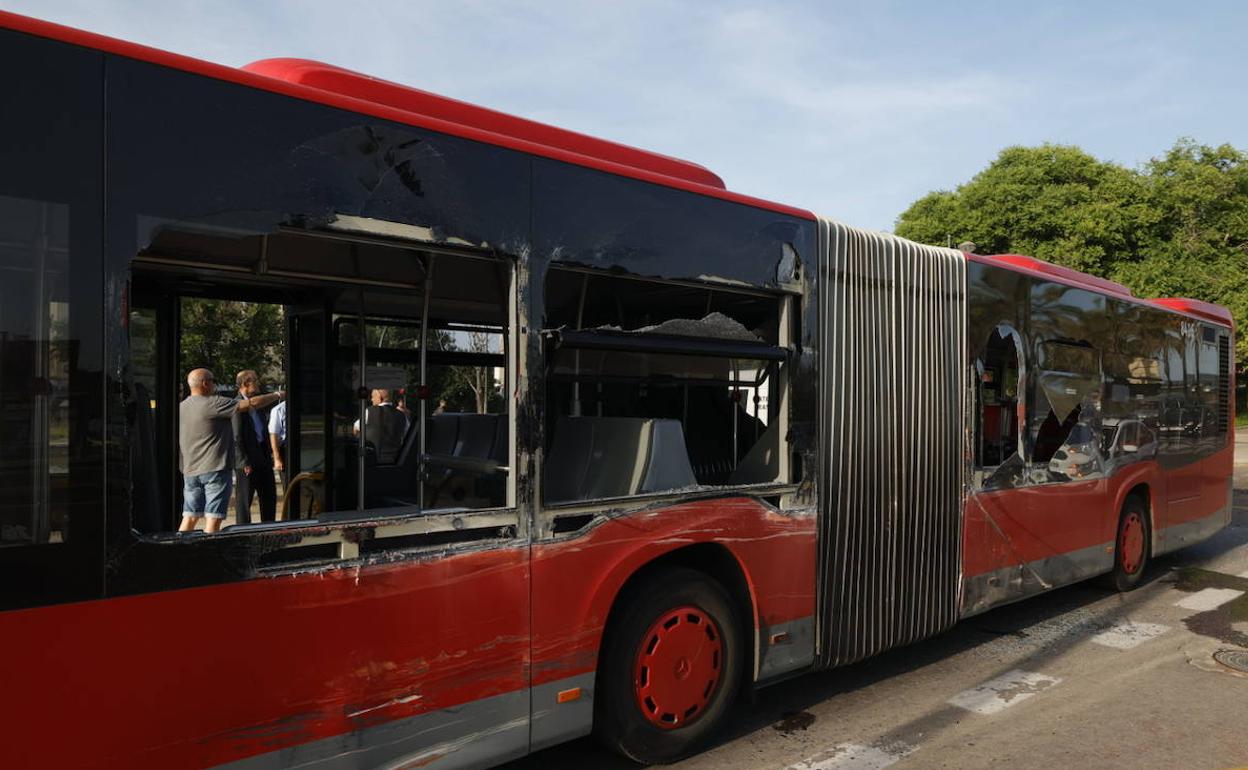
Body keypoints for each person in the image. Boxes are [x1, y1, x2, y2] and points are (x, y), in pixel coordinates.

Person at [178, 368, 282, 533]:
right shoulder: (214, 403)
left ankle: (180, 550)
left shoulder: (181, 408)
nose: (215, 385)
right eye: (213, 381)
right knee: (214, 517)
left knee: (190, 516)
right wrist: (278, 395)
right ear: (205, 383)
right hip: (215, 470)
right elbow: (251, 404)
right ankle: (209, 553)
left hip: (190, 471)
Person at [233, 370, 280, 524]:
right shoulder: (237, 405)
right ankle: (242, 533)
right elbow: (236, 436)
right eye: (255, 380)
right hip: (247, 460)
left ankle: (268, 528)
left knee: (269, 496)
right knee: (244, 501)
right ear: (246, 384)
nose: (258, 383)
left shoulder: (259, 403)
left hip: (263, 456)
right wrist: (243, 461)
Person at [353, 388, 409, 464]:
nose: (371, 399)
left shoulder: (369, 412)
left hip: (374, 462)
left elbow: (356, 429)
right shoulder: (402, 416)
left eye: (373, 396)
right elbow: (407, 436)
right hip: (395, 462)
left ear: (379, 396)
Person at [268, 398, 288, 493]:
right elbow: (273, 434)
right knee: (288, 485)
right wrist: (277, 458)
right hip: (285, 450)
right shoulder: (279, 409)